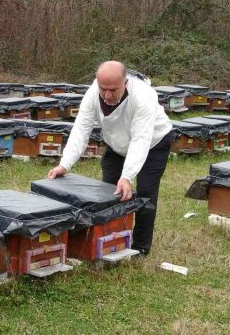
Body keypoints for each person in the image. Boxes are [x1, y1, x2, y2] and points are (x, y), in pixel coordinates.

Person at [47, 61, 172, 256]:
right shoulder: (92, 95)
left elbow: (141, 139)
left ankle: (140, 247)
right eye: (103, 89)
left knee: (146, 193)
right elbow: (81, 129)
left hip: (153, 143)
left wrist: (127, 176)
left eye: (113, 90)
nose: (107, 95)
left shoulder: (143, 97)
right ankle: (107, 241)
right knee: (109, 192)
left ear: (126, 82)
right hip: (116, 143)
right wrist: (65, 164)